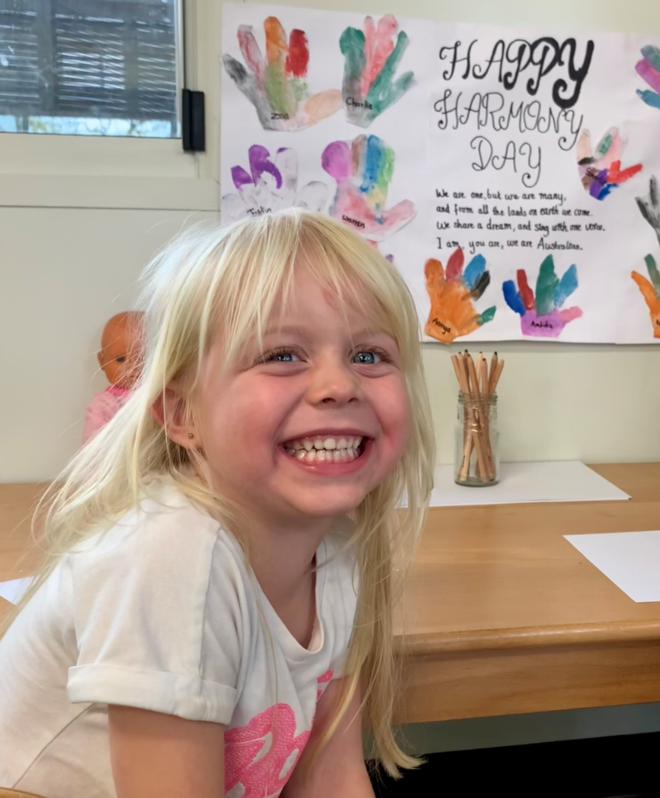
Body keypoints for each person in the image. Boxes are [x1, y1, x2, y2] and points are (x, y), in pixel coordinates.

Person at [0, 210, 434, 798]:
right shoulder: (170, 556)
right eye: (282, 354)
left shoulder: (337, 549)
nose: (340, 384)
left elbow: (329, 775)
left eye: (369, 355)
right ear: (181, 415)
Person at [83, 310, 145, 444]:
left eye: (143, 358)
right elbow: (92, 453)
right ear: (102, 361)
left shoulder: (167, 395)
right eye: (121, 359)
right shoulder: (104, 406)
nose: (133, 369)